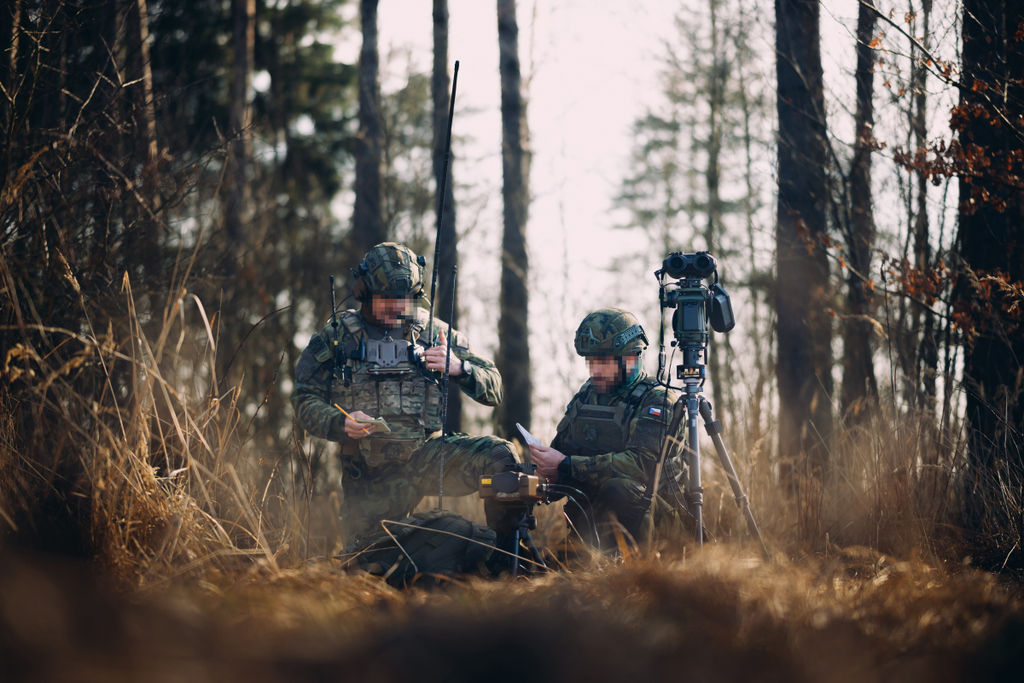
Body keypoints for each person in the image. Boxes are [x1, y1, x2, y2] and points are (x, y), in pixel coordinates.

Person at [291, 242, 517, 542]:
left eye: (405, 298)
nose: (397, 307)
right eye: (387, 298)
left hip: (429, 458)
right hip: (370, 475)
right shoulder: (337, 336)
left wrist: (459, 368)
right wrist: (339, 422)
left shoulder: (434, 333)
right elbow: (305, 398)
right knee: (371, 559)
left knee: (501, 458)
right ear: (364, 292)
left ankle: (506, 555)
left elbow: (494, 387)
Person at [528, 308, 685, 548]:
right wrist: (542, 475)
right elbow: (561, 455)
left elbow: (642, 466)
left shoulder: (658, 400)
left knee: (619, 489)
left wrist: (567, 466)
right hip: (592, 528)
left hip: (660, 527)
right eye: (590, 361)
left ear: (630, 357)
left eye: (603, 361)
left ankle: (634, 567)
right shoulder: (587, 396)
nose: (595, 371)